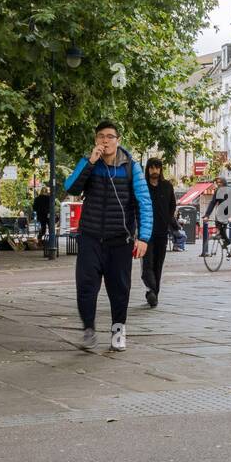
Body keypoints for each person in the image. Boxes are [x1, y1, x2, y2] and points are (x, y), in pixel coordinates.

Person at [63, 120, 152, 352]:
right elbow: (71, 187)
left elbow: (144, 202)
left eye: (110, 136)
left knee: (119, 289)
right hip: (90, 238)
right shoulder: (89, 164)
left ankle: (118, 330)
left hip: (119, 241)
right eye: (101, 136)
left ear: (118, 140)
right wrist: (90, 162)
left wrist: (143, 237)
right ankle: (88, 329)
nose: (105, 140)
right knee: (86, 287)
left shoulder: (131, 167)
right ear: (96, 140)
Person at [141, 158, 175, 308]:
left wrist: (167, 220)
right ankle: (151, 290)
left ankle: (153, 293)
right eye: (152, 168)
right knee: (147, 263)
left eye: (157, 168)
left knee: (158, 264)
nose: (155, 171)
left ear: (161, 170)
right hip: (146, 233)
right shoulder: (142, 187)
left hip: (162, 232)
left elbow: (172, 206)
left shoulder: (167, 186)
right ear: (147, 169)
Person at [203, 176, 231, 252]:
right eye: (217, 183)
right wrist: (207, 215)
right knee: (220, 227)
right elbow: (213, 203)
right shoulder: (217, 191)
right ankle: (227, 241)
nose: (218, 184)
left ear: (224, 183)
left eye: (220, 182)